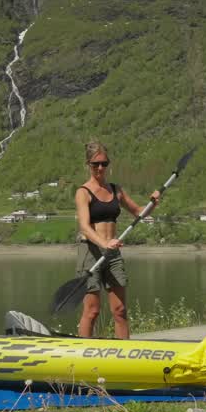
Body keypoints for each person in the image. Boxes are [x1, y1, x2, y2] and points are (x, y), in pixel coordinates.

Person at [74, 140, 161, 338]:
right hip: (90, 251)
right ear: (88, 164)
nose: (100, 168)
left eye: (104, 163)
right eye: (95, 164)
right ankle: (81, 356)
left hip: (113, 254)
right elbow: (85, 228)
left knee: (120, 311)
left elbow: (139, 212)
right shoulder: (83, 192)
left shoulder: (116, 190)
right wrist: (104, 243)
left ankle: (123, 354)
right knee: (92, 311)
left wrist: (152, 203)